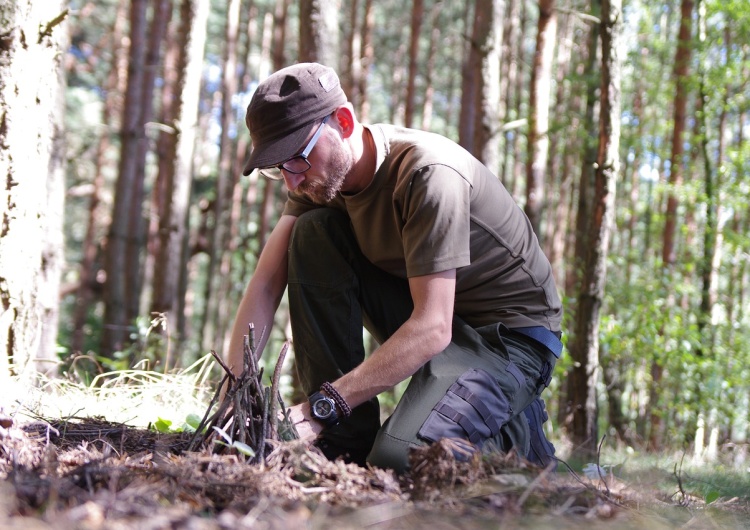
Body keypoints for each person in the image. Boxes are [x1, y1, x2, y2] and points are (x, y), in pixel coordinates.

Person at [227, 62, 562, 473]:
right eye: (277, 168)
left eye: (296, 159)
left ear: (344, 122)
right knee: (312, 233)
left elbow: (433, 326)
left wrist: (322, 407)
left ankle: (518, 436)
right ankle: (343, 441)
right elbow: (266, 281)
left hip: (510, 341)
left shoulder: (427, 174)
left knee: (401, 459)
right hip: (435, 318)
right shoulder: (317, 179)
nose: (291, 183)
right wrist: (235, 395)